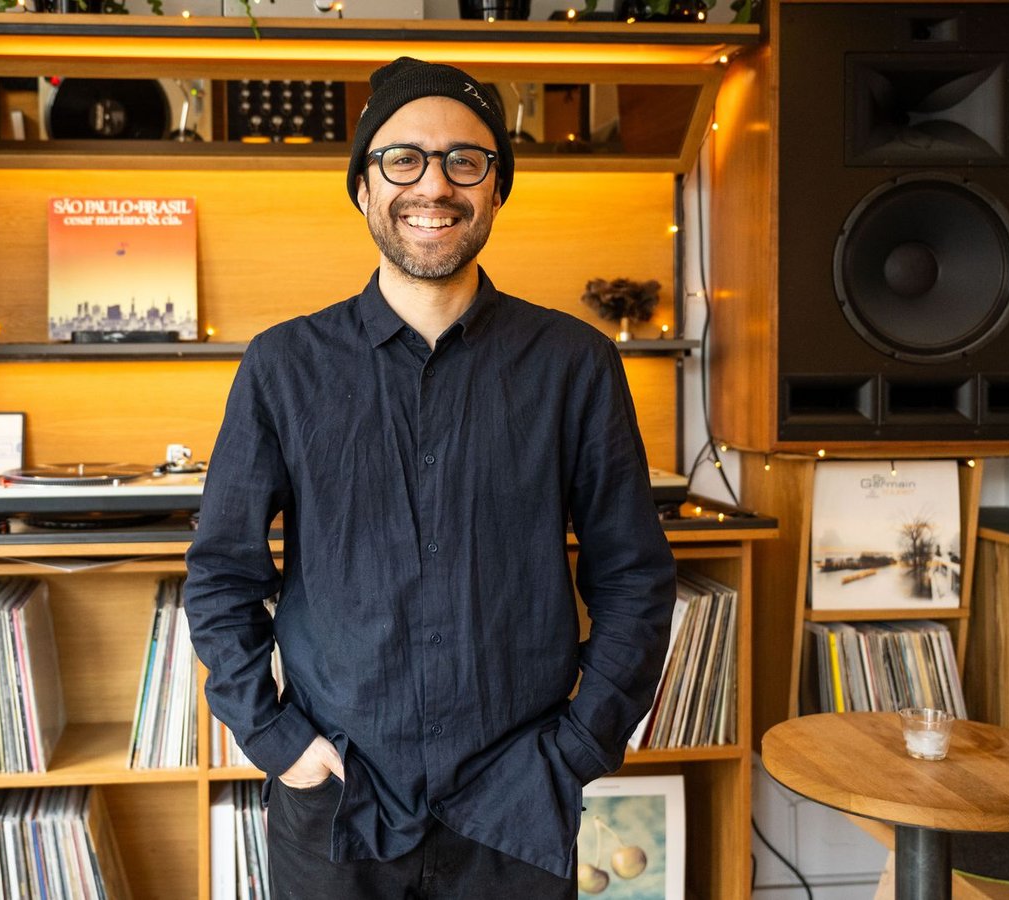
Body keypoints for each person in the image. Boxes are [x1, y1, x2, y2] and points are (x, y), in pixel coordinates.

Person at [184, 56, 677, 898]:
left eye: (465, 160)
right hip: (338, 800)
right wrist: (279, 744)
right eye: (403, 159)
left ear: (496, 187)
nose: (434, 186)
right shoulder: (283, 367)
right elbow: (221, 578)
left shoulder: (575, 364)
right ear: (365, 186)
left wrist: (580, 747)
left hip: (518, 803)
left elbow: (633, 576)